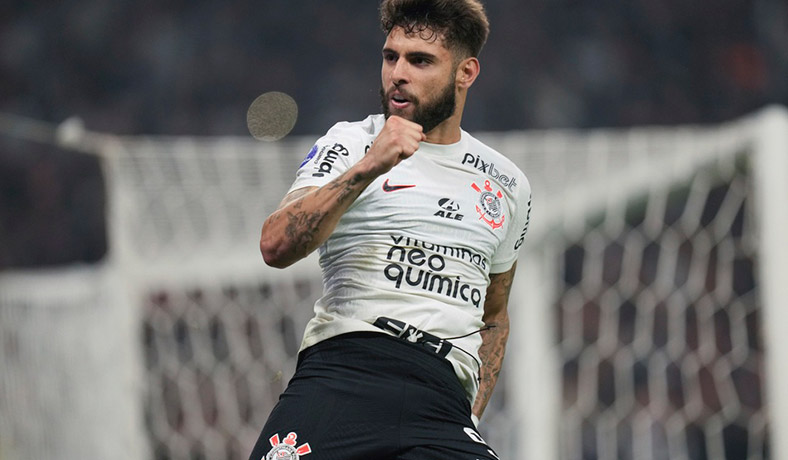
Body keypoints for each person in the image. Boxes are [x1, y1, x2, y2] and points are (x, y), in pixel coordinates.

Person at [250, 1, 531, 459]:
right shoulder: (351, 142)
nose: (397, 73)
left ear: (466, 73)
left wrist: (470, 413)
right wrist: (370, 166)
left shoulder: (506, 184)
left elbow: (495, 314)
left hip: (441, 400)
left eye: (420, 60)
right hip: (342, 372)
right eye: (390, 57)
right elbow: (275, 245)